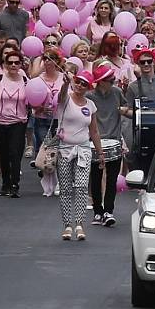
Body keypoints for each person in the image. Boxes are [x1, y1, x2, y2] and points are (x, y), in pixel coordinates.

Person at [55, 70, 104, 241]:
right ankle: (67, 225)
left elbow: (94, 130)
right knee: (66, 188)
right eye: (79, 82)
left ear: (89, 87)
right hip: (65, 148)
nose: (80, 86)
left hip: (83, 148)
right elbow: (61, 95)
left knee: (82, 187)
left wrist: (100, 152)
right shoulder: (66, 98)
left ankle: (80, 224)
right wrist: (67, 82)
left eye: (84, 84)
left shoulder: (90, 105)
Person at [87, 63, 128, 227]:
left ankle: (108, 211)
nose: (113, 81)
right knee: (96, 179)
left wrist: (126, 111)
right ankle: (98, 211)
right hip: (95, 142)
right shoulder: (90, 97)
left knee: (112, 179)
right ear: (101, 81)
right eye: (110, 79)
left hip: (114, 140)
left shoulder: (117, 92)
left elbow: (126, 107)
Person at [0, 49, 29, 198]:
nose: (13, 65)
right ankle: (5, 183)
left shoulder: (25, 80)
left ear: (21, 64)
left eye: (16, 62)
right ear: (5, 64)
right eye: (10, 62)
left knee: (15, 153)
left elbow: (32, 98)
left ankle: (15, 184)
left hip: (18, 121)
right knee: (3, 153)